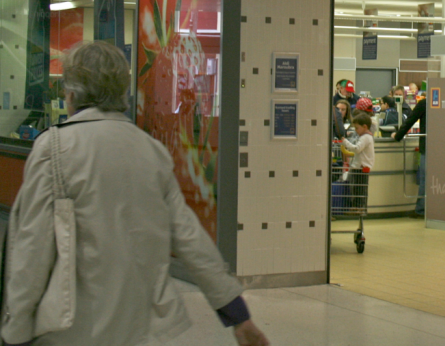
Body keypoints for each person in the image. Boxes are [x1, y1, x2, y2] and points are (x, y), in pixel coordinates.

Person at [1, 41, 269, 346]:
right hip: (136, 330)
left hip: (69, 331)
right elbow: (190, 238)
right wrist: (237, 314)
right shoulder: (151, 151)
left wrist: (16, 331)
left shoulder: (53, 150)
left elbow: (31, 249)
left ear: (72, 94)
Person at [392, 97, 426, 218]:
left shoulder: (424, 103)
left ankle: (421, 210)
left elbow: (410, 120)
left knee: (425, 180)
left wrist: (398, 136)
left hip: (427, 147)